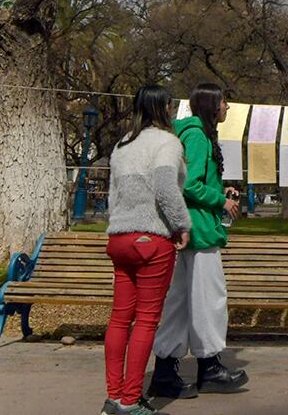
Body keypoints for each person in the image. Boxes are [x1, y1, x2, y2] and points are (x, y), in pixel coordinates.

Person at [148, 84, 247, 398]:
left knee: (178, 303)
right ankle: (210, 366)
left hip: (186, 228)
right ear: (211, 106)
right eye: (224, 102)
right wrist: (220, 200)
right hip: (199, 229)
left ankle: (165, 370)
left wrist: (220, 191)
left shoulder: (191, 133)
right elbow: (189, 184)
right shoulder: (197, 136)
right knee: (208, 301)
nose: (228, 107)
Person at [102, 85, 192, 415]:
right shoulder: (168, 143)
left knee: (119, 318)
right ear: (165, 108)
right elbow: (166, 187)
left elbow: (113, 195)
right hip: (151, 238)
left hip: (120, 238)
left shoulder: (122, 144)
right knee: (146, 320)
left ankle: (114, 396)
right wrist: (182, 224)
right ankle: (131, 400)